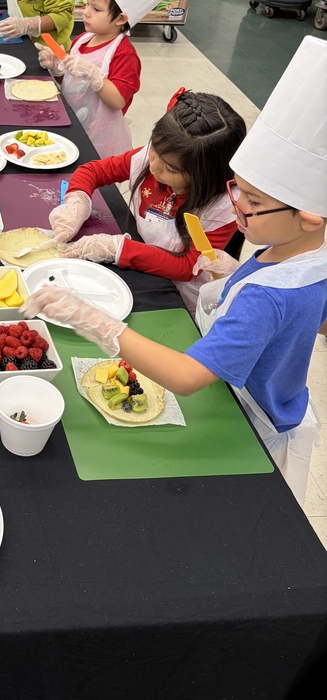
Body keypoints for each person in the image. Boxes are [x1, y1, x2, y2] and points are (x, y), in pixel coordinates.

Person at [24, 36, 327, 508]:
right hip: (239, 388)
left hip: (247, 417)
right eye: (236, 190)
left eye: (251, 200)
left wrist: (95, 320)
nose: (237, 206)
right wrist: (237, 277)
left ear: (308, 217)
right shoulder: (304, 258)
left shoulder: (268, 297)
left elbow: (186, 378)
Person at [48, 89, 247, 313]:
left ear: (205, 175)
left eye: (171, 169)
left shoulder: (222, 208)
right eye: (154, 149)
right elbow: (93, 171)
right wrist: (77, 202)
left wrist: (117, 248)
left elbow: (187, 266)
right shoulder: (152, 158)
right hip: (142, 267)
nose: (154, 166)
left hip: (180, 298)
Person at [38, 0, 186, 157]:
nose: (86, 12)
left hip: (101, 142)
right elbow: (71, 83)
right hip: (72, 125)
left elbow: (117, 101)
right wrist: (57, 68)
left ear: (120, 19)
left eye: (96, 9)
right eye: (87, 4)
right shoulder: (83, 39)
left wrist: (94, 75)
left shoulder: (124, 55)